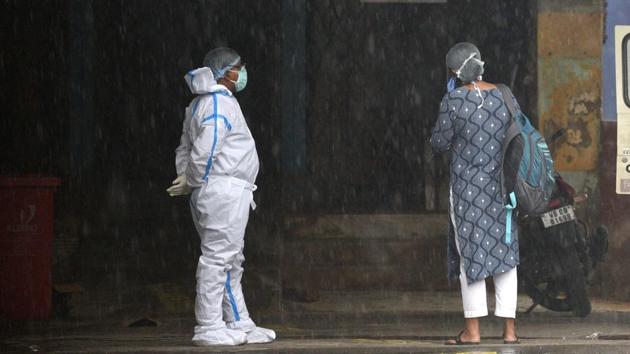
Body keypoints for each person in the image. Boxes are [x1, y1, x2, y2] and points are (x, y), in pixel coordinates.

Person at [166, 47, 276, 346]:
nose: (242, 73)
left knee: (229, 259)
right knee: (218, 258)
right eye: (239, 67)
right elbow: (205, 148)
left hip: (219, 190)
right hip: (222, 191)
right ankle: (208, 325)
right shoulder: (218, 104)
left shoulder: (202, 104)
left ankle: (238, 321)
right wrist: (193, 179)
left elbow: (185, 149)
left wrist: (190, 180)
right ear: (227, 72)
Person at [430, 42, 520, 345]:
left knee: (472, 256)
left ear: (455, 71)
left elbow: (439, 143)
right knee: (505, 254)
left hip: (468, 192)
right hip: (503, 189)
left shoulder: (453, 101)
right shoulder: (504, 95)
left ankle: (473, 331)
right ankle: (510, 332)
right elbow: (517, 132)